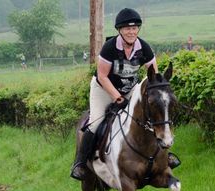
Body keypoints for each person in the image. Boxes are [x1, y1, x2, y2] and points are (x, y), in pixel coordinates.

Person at [71, 8, 179, 180]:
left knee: (149, 116)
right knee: (96, 121)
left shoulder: (144, 48)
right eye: (127, 29)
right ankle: (80, 163)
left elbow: (154, 78)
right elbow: (102, 76)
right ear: (120, 31)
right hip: (104, 89)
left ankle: (165, 156)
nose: (131, 31)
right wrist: (116, 97)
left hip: (130, 89)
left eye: (135, 28)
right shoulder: (109, 48)